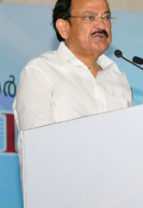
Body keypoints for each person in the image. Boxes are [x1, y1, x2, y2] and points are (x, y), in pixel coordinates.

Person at [13, 0, 133, 131]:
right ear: (64, 28)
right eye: (90, 17)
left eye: (106, 17)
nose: (101, 25)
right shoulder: (41, 71)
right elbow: (37, 143)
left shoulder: (118, 77)